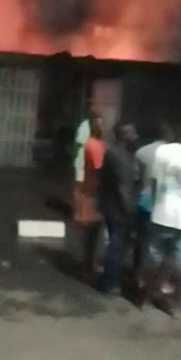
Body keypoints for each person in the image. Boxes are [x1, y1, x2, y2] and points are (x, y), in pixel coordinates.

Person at [142, 125, 181, 317]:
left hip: (161, 214)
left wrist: (156, 205)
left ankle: (145, 294)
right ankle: (170, 302)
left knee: (154, 257)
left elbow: (154, 182)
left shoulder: (162, 152)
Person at [97, 122, 139, 295]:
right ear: (124, 135)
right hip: (118, 208)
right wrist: (130, 211)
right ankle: (110, 282)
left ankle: (109, 279)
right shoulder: (119, 156)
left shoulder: (114, 153)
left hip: (110, 205)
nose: (136, 136)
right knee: (117, 244)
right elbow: (123, 188)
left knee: (116, 243)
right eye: (132, 133)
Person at [133, 124, 174, 284]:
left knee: (141, 239)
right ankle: (156, 279)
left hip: (144, 200)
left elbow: (136, 178)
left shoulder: (142, 151)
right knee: (161, 244)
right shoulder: (174, 154)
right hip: (165, 203)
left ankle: (137, 273)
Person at [73, 113, 106, 276]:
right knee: (93, 231)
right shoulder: (94, 145)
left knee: (92, 231)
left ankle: (88, 262)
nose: (102, 127)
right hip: (94, 193)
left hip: (92, 191)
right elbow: (100, 169)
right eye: (99, 124)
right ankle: (89, 264)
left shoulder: (96, 144)